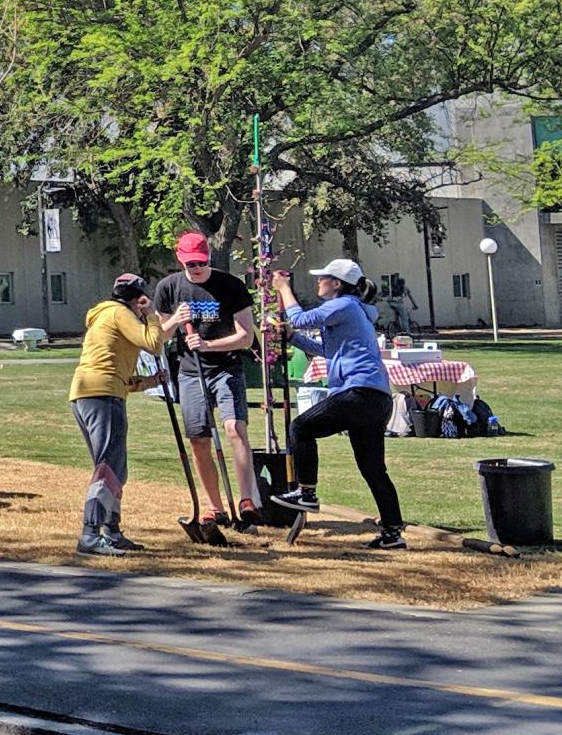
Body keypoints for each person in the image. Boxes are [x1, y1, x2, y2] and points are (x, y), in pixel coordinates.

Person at [270, 259, 408, 549]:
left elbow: (301, 319)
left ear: (337, 283)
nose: (318, 281)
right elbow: (327, 350)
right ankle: (393, 533)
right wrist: (293, 339)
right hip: (376, 398)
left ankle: (306, 493)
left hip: (357, 393)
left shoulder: (344, 305)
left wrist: (283, 288)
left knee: (301, 428)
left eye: (323, 278)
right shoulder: (354, 311)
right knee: (373, 468)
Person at [70, 274, 192, 555]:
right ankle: (90, 534)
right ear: (137, 298)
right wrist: (150, 314)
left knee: (111, 466)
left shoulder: (103, 315)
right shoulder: (119, 313)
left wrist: (149, 382)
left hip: (88, 392)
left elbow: (113, 367)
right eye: (141, 301)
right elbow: (153, 342)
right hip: (103, 396)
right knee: (109, 467)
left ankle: (111, 531)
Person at [151, 231, 261, 531]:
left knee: (234, 428)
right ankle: (214, 507)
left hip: (226, 368)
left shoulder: (230, 286)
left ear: (208, 257)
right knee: (199, 439)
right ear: (180, 259)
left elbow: (245, 337)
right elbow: (159, 337)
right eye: (190, 264)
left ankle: (246, 499)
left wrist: (208, 345)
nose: (195, 268)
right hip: (189, 372)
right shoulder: (169, 288)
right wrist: (175, 319)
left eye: (200, 262)